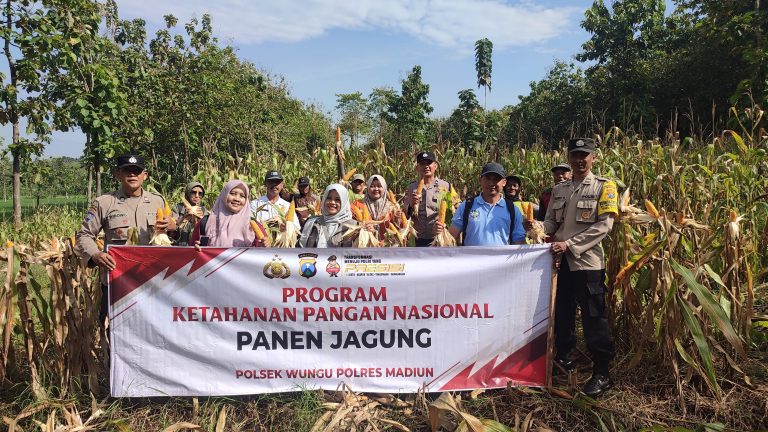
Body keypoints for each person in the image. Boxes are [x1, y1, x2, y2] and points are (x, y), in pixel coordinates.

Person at [538, 138, 618, 398]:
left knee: (594, 316)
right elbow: (551, 223)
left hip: (586, 262)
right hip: (559, 263)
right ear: (569, 156)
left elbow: (604, 226)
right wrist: (537, 229)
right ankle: (565, 358)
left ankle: (602, 372)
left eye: (584, 155)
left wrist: (569, 244)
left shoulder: (604, 187)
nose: (579, 159)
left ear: (594, 157)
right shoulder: (560, 189)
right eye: (575, 154)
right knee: (561, 312)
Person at [76, 153, 176, 322]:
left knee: (154, 328)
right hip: (117, 281)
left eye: (136, 171)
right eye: (127, 171)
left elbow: (168, 235)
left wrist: (174, 227)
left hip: (151, 281)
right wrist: (95, 254)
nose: (132, 174)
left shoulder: (157, 201)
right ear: (118, 174)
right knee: (114, 332)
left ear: (145, 175)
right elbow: (83, 235)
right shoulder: (104, 203)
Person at [435, 162, 525, 246]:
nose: (491, 183)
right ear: (480, 180)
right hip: (472, 262)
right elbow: (451, 238)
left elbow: (519, 242)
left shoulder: (512, 209)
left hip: (501, 262)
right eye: (487, 179)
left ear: (504, 182)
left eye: (496, 179)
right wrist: (441, 233)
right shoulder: (467, 206)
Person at [190, 180, 267, 247]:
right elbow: (191, 252)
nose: (237, 199)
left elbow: (264, 255)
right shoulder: (205, 222)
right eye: (233, 193)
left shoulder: (253, 225)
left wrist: (264, 245)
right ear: (224, 195)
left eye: (242, 196)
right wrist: (196, 248)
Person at [403, 151, 451, 246]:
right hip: (417, 238)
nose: (426, 166)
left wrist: (445, 225)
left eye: (429, 163)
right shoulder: (411, 188)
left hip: (438, 239)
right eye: (422, 164)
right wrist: (411, 205)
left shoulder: (445, 186)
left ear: (435, 166)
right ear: (417, 168)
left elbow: (453, 212)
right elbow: (405, 216)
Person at [351, 175, 402, 239]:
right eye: (372, 186)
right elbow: (350, 226)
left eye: (379, 186)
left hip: (387, 246)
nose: (376, 189)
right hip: (364, 245)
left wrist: (397, 219)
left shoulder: (392, 207)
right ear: (368, 188)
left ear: (384, 188)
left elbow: (400, 231)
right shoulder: (356, 204)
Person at [171, 181, 208, 246]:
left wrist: (202, 219)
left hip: (195, 248)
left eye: (200, 193)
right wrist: (184, 217)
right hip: (179, 247)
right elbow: (171, 230)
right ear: (188, 193)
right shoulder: (178, 208)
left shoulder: (203, 210)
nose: (197, 196)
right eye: (193, 192)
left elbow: (206, 232)